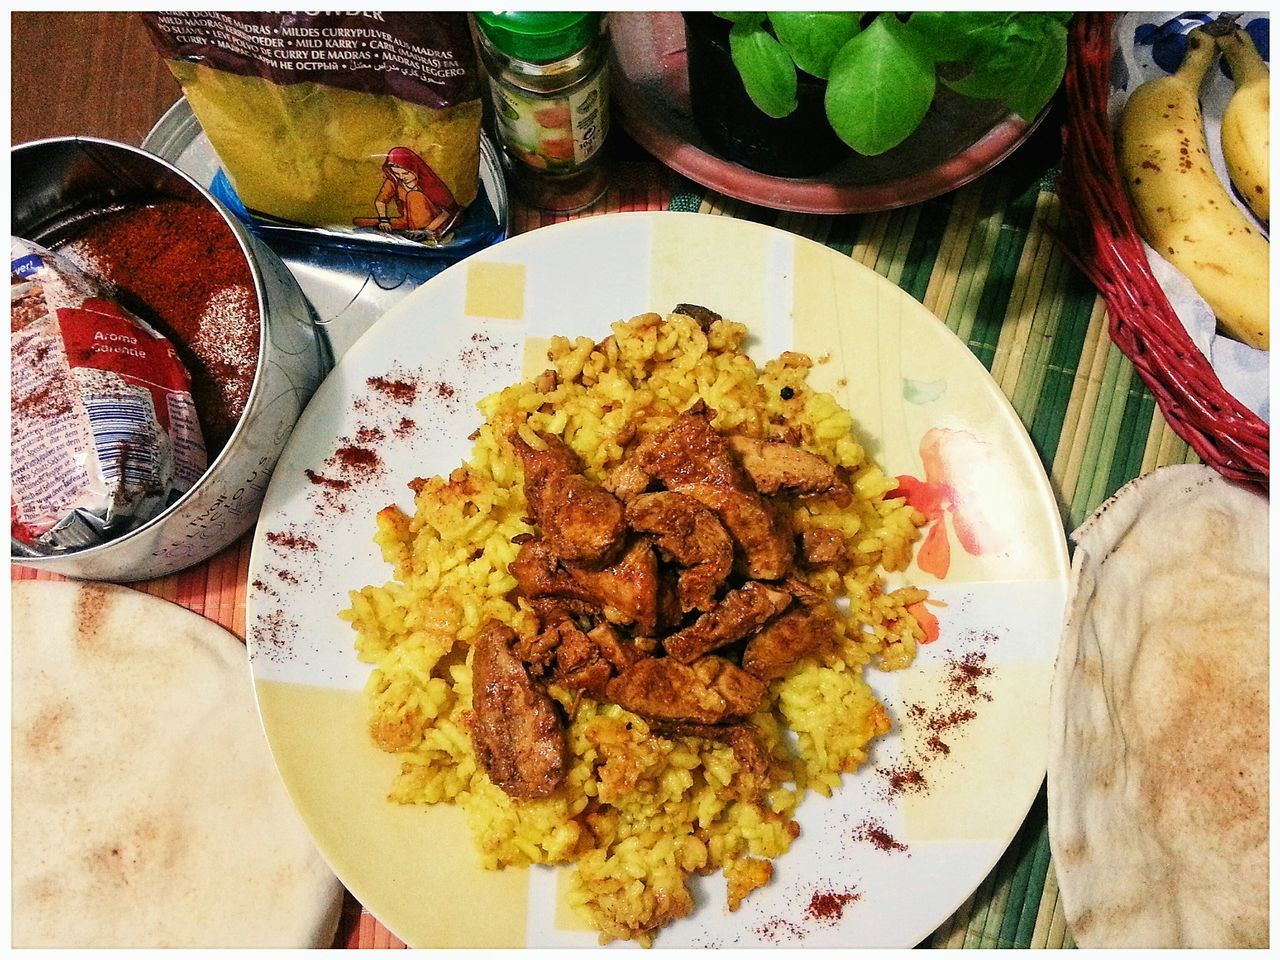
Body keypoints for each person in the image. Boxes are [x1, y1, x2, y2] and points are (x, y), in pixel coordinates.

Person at [353, 146, 461, 238]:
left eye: (405, 173)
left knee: (413, 196)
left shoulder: (430, 183)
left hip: (433, 223)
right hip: (408, 221)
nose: (401, 177)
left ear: (414, 168)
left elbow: (448, 212)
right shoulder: (394, 181)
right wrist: (383, 220)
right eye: (397, 174)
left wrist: (426, 231)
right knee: (361, 222)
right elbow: (381, 201)